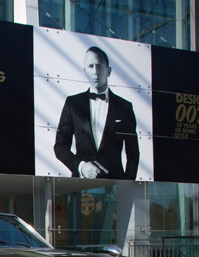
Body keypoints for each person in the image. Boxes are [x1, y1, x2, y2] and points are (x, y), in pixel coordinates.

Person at [54, 46, 139, 180]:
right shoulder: (72, 103)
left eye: (99, 66)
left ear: (108, 71)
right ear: (84, 71)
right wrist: (81, 166)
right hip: (80, 184)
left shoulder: (124, 107)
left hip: (115, 183)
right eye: (91, 66)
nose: (95, 71)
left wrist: (128, 185)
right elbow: (60, 147)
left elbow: (133, 153)